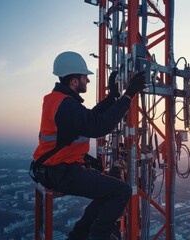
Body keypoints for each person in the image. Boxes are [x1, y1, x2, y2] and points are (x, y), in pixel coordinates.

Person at [32, 51, 146, 240]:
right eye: (85, 77)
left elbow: (89, 118)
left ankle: (79, 235)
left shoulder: (60, 101)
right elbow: (98, 126)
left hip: (56, 169)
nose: (88, 81)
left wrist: (112, 98)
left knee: (108, 188)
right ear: (74, 81)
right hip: (62, 173)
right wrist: (128, 96)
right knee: (121, 191)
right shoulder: (66, 105)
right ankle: (97, 236)